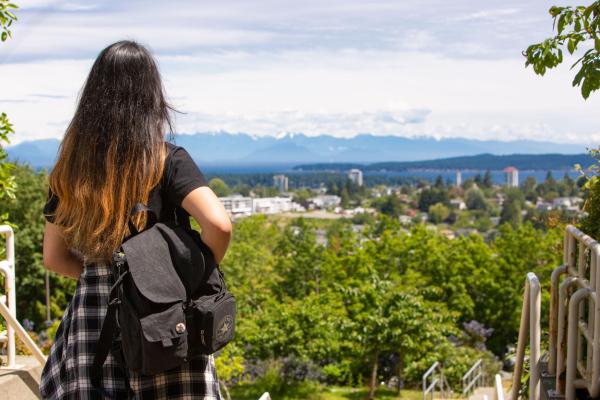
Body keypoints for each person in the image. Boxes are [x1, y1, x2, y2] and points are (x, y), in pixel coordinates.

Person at [39, 40, 232, 399]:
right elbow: (219, 225)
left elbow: (53, 257)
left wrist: (107, 277)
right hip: (162, 315)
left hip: (93, 320)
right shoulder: (168, 159)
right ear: (152, 98)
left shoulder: (68, 170)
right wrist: (185, 276)